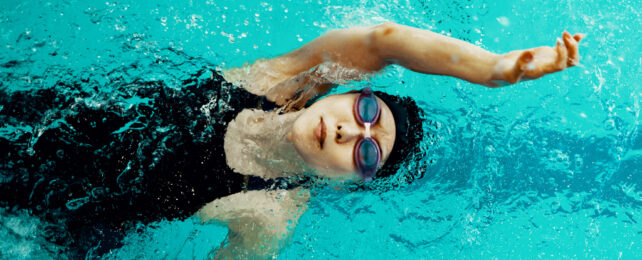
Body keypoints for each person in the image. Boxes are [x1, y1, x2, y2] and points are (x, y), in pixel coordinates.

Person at [0, 22, 583, 258]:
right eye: (365, 111)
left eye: (367, 149)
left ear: (349, 181)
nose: (351, 129)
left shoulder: (271, 213)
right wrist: (497, 70)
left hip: (57, 223)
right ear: (343, 91)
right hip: (50, 119)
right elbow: (384, 40)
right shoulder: (279, 82)